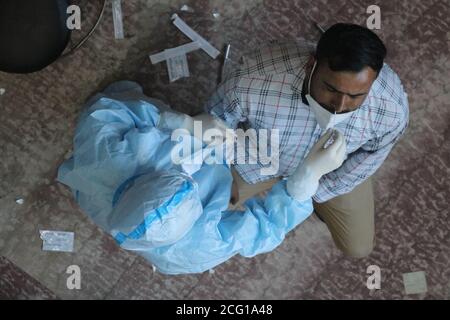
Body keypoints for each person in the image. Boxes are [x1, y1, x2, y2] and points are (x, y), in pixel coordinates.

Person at [58, 81, 346, 274]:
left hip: (173, 143)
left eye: (176, 176)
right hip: (221, 170)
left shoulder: (104, 153)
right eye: (193, 191)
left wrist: (180, 122)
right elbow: (265, 229)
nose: (190, 173)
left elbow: (108, 106)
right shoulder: (200, 247)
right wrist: (305, 180)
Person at [205, 23, 409, 258]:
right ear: (311, 65)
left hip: (331, 174)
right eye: (331, 88)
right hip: (256, 157)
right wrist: (217, 170)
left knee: (359, 248)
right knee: (199, 213)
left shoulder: (392, 110)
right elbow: (214, 120)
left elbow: (371, 155)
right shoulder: (253, 79)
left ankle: (321, 206)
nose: (340, 106)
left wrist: (310, 191)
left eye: (355, 96)